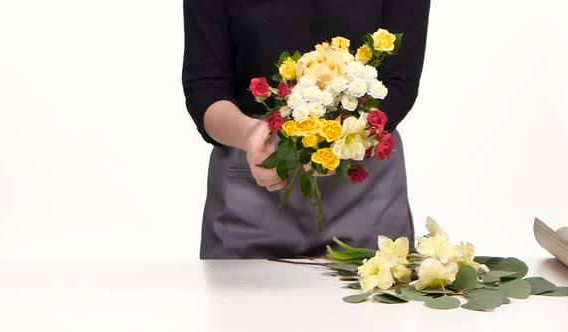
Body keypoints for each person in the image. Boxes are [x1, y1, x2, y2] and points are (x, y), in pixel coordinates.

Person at [182, 0, 431, 259]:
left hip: (363, 181)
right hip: (253, 175)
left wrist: (340, 139)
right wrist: (249, 133)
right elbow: (205, 87)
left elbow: (399, 82)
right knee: (240, 299)